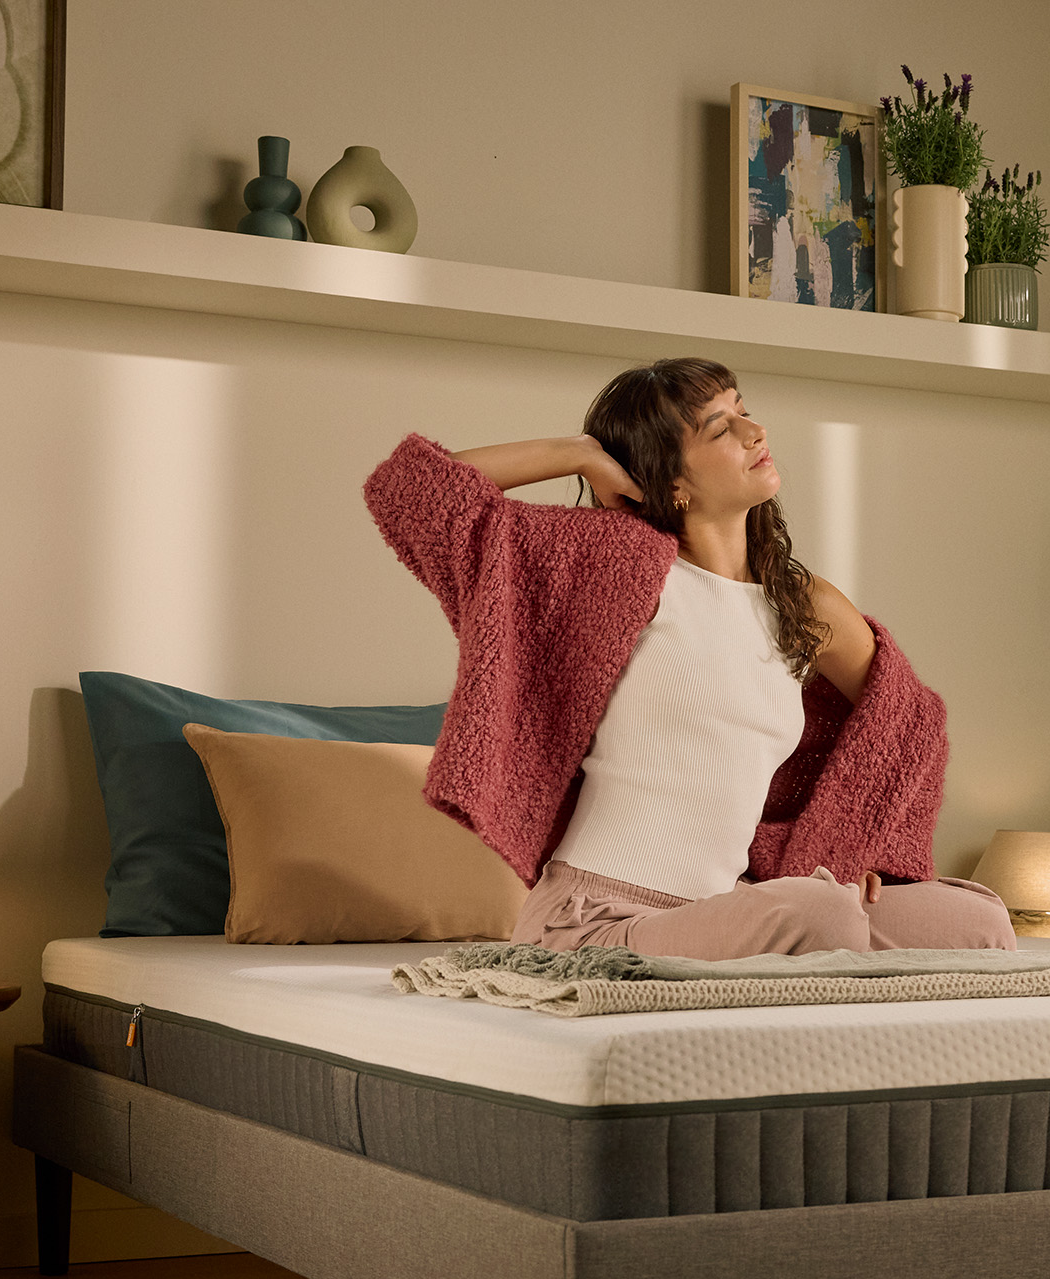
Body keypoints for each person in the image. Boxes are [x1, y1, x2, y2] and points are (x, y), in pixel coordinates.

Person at [363, 356, 1015, 960]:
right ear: (673, 478)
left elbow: (907, 719)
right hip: (596, 919)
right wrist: (579, 453)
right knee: (821, 915)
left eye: (743, 409)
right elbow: (410, 492)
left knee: (978, 920)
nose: (755, 431)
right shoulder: (622, 567)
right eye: (719, 428)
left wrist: (861, 845)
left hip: (727, 907)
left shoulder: (802, 602)